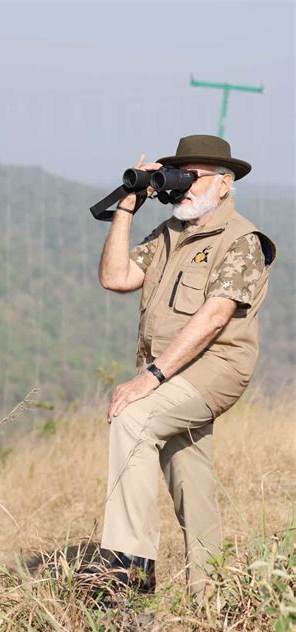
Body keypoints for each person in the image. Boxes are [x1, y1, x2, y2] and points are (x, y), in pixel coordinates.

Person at [97, 134, 276, 600]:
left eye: (193, 178)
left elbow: (216, 315)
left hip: (215, 367)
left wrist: (150, 378)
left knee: (133, 418)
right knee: (189, 475)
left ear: (223, 184)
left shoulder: (243, 241)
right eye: (180, 176)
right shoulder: (168, 234)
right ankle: (212, 598)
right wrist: (127, 207)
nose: (184, 187)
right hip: (172, 370)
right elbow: (116, 278)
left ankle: (128, 571)